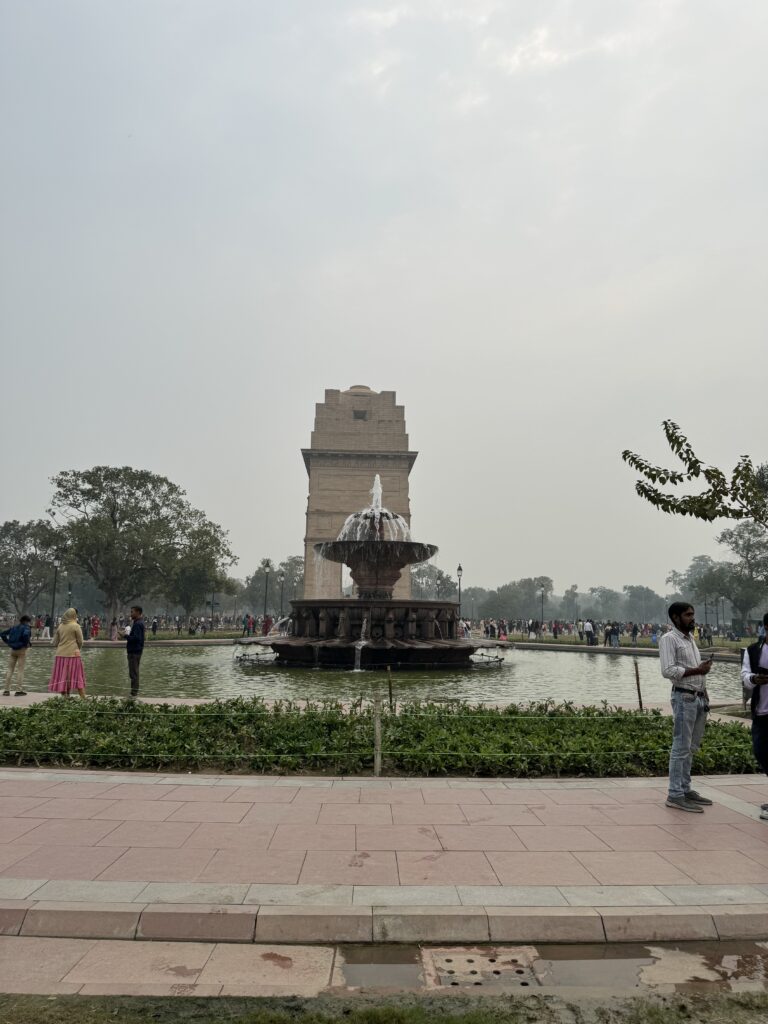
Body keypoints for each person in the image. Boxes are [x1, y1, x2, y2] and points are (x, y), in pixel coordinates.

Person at [659, 601, 713, 813]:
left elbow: (696, 671)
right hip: (684, 698)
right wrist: (697, 670)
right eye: (688, 615)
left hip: (698, 698)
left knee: (691, 747)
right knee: (680, 747)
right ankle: (674, 794)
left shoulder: (690, 638)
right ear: (675, 617)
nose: (692, 618)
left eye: (692, 614)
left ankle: (685, 788)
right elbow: (668, 670)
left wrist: (705, 690)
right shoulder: (669, 639)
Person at [741, 611, 768, 821]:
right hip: (761, 710)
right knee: (760, 752)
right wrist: (754, 678)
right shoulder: (754, 650)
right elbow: (745, 676)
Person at [48, 608, 87, 698]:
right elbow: (80, 641)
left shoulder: (60, 626)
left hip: (60, 655)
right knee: (77, 676)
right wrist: (78, 648)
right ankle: (83, 699)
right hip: (73, 654)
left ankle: (65, 697)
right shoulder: (75, 626)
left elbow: (55, 642)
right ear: (73, 615)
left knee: (63, 676)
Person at [1, 614, 33, 696]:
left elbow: (2, 634)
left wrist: (8, 642)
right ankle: (19, 690)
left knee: (10, 669)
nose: (30, 624)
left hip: (13, 650)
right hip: (21, 650)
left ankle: (6, 690)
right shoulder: (26, 628)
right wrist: (26, 644)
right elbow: (26, 635)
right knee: (20, 670)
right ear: (26, 621)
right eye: (29, 622)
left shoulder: (14, 627)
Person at [126, 605, 146, 699]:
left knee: (134, 673)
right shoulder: (138, 622)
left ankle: (133, 694)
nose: (131, 613)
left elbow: (136, 638)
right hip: (136, 651)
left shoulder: (138, 624)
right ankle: (134, 692)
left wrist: (125, 636)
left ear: (138, 612)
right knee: (134, 672)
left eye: (132, 612)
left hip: (134, 652)